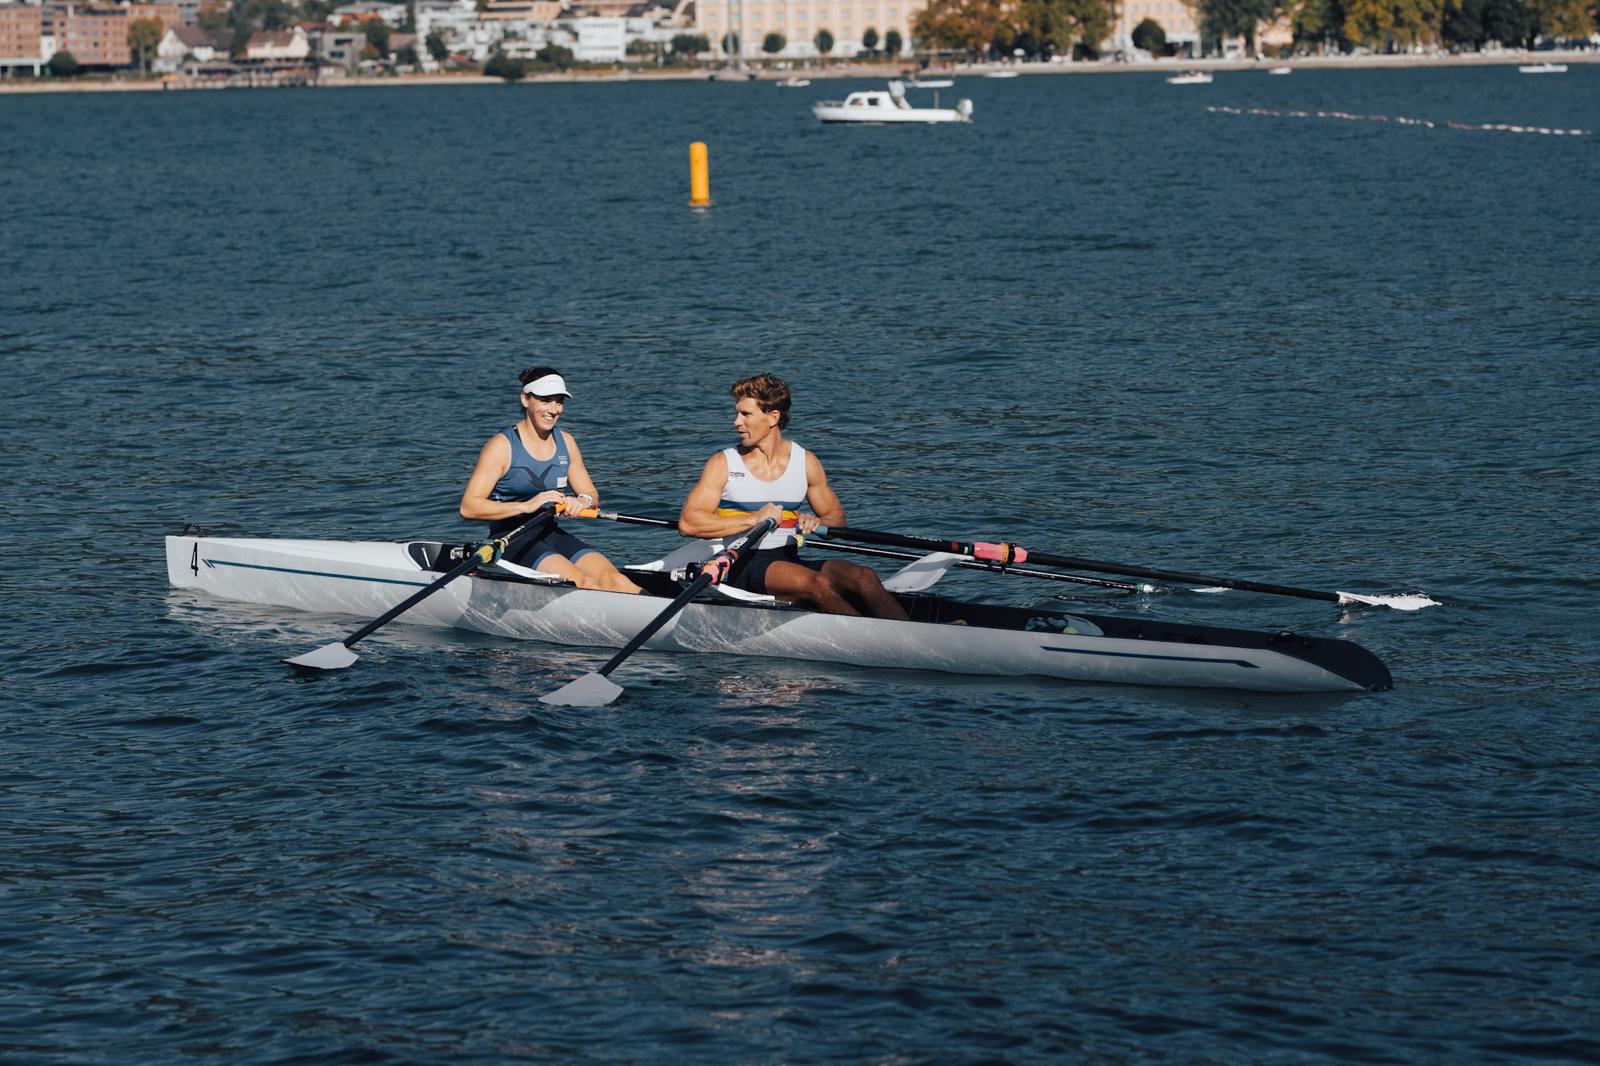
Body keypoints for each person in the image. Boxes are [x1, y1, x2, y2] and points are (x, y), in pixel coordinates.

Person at [678, 373, 909, 620]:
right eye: (737, 413)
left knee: (864, 576)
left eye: (745, 414)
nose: (736, 422)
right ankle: (873, 640)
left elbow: (837, 518)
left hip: (787, 559)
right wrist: (753, 519)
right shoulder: (723, 463)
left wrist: (819, 522)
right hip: (742, 564)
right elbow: (689, 522)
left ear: (772, 418)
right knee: (816, 584)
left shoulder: (805, 461)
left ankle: (912, 635)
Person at [460, 367, 641, 594]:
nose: (554, 410)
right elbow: (469, 507)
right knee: (584, 583)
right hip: (511, 539)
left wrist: (582, 501)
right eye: (546, 400)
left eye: (559, 402)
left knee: (616, 580)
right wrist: (527, 505)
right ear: (525, 399)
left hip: (551, 533)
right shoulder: (501, 447)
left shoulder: (566, 442)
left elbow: (591, 494)